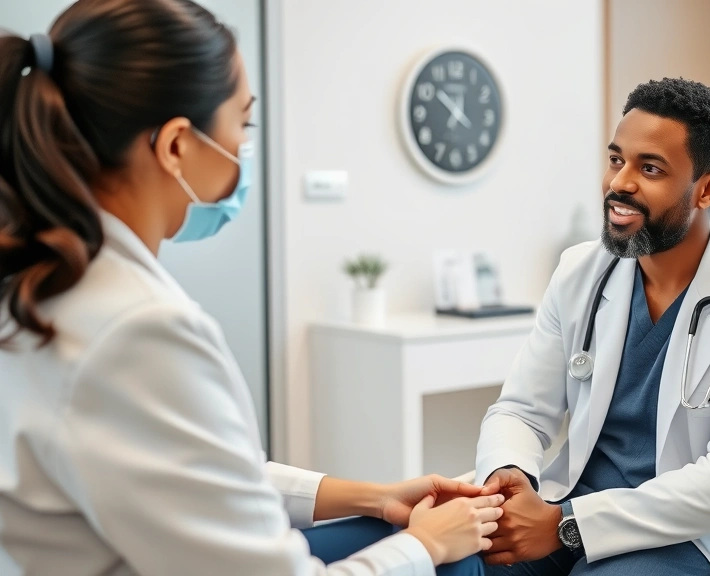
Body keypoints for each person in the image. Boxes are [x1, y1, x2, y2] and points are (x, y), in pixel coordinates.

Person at [0, 1, 502, 574]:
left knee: (387, 524)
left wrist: (373, 494)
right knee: (454, 559)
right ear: (176, 146)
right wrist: (428, 546)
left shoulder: (43, 277)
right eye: (243, 123)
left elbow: (196, 476)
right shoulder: (136, 331)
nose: (243, 148)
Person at [473, 78, 710, 576]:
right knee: (454, 557)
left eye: (650, 168)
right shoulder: (580, 271)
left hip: (703, 533)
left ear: (708, 189)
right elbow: (521, 411)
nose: (620, 183)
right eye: (617, 159)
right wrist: (507, 475)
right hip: (573, 501)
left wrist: (562, 525)